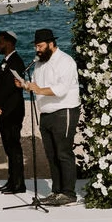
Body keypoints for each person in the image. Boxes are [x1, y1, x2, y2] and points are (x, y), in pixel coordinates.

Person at [22, 29, 81, 207]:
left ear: (50, 43)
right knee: (51, 154)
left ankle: (69, 193)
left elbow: (61, 89)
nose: (37, 49)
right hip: (45, 113)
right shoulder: (40, 63)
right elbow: (36, 84)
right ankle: (56, 192)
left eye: (40, 46)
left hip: (64, 111)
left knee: (63, 153)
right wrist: (25, 85)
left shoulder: (65, 61)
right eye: (36, 46)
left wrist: (38, 89)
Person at [0, 30, 27, 194]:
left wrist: (2, 106)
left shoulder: (17, 62)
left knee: (14, 147)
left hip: (12, 111)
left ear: (9, 43)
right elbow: (0, 86)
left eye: (1, 41)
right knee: (8, 148)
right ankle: (12, 181)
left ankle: (19, 184)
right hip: (4, 111)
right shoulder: (5, 61)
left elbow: (12, 89)